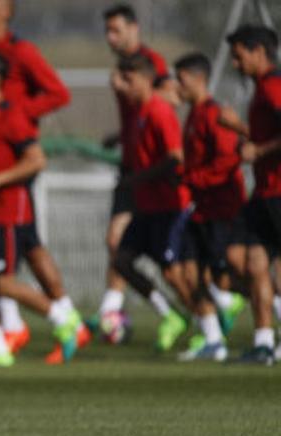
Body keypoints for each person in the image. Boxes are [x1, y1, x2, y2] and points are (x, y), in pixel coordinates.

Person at [0, 0, 83, 361]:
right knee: (3, 259)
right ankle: (5, 333)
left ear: (7, 10)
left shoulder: (22, 53)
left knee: (14, 258)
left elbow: (58, 93)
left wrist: (13, 115)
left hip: (10, 169)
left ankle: (62, 316)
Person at [96, 4, 194, 342]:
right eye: (107, 31)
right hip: (136, 173)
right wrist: (120, 137)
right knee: (120, 251)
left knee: (173, 266)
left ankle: (206, 316)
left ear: (133, 28)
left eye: (116, 30)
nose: (111, 38)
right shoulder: (132, 89)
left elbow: (174, 98)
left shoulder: (150, 69)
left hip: (155, 185)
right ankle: (120, 312)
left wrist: (141, 88)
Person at [112, 53, 193, 352]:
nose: (123, 86)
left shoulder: (159, 111)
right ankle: (170, 314)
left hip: (169, 205)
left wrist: (139, 178)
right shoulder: (137, 114)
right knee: (121, 261)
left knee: (173, 273)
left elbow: (175, 159)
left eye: (128, 79)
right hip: (146, 207)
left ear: (146, 79)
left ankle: (206, 325)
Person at [174, 53, 247, 362]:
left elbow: (229, 160)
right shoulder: (193, 114)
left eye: (182, 79)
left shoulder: (214, 114)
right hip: (200, 209)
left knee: (233, 276)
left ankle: (271, 306)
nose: (177, 86)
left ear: (199, 79)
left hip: (222, 207)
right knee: (188, 274)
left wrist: (193, 178)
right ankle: (214, 340)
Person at [226, 25, 281, 365]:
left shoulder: (274, 86)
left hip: (278, 192)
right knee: (243, 260)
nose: (234, 63)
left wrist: (259, 151)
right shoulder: (262, 87)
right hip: (263, 193)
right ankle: (263, 342)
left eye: (239, 55)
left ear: (258, 50)